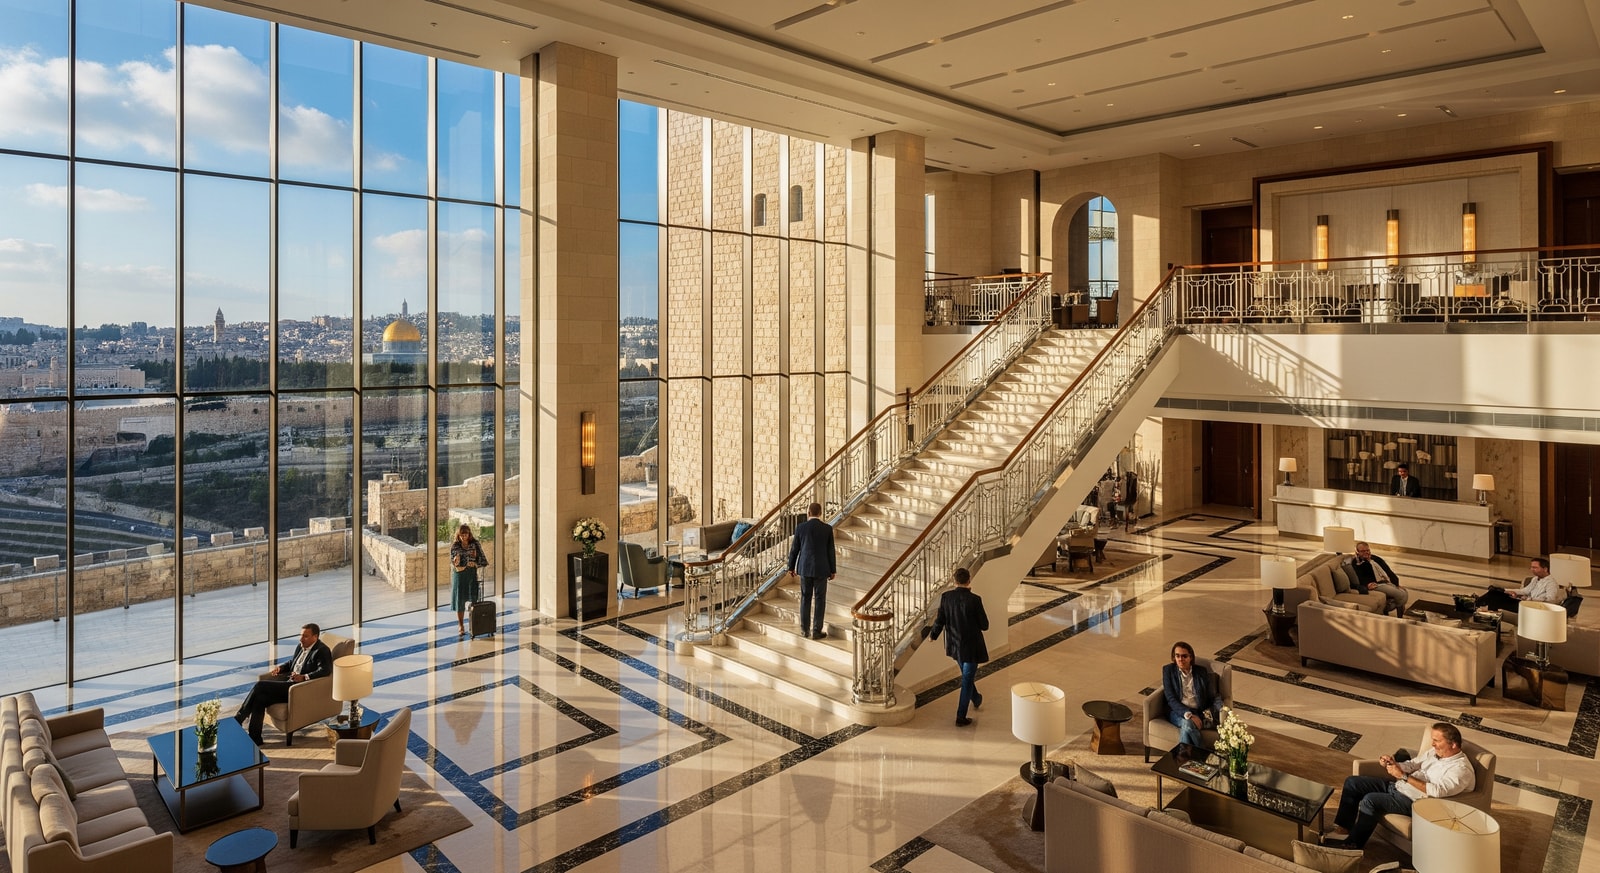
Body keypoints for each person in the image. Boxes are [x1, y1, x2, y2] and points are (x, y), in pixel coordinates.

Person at [1323, 722, 1474, 849]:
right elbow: (1412, 764)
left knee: (1370, 800)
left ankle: (1351, 846)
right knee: (1353, 783)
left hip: (1414, 802)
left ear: (1453, 745)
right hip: (1399, 786)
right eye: (1432, 740)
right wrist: (1394, 764)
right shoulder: (1435, 753)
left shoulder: (1461, 770)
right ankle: (1343, 830)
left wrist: (1403, 776)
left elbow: (1437, 791)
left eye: (1437, 741)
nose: (1433, 744)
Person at [234, 623, 333, 745]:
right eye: (301, 636)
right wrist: (281, 668)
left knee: (260, 685)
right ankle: (255, 738)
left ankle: (239, 718)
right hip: (288, 685)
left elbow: (325, 671)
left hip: (299, 689)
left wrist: (304, 677)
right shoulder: (300, 646)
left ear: (315, 637)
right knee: (260, 698)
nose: (301, 639)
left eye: (305, 636)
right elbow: (294, 662)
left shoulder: (322, 650)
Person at [930, 567, 989, 727]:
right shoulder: (975, 600)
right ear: (969, 580)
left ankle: (976, 698)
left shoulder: (946, 597)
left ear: (954, 580)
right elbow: (985, 625)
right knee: (967, 679)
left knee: (967, 677)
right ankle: (960, 716)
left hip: (955, 646)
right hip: (971, 647)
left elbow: (940, 620)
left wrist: (933, 635)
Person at [787, 502, 836, 639]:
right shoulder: (827, 529)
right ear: (820, 514)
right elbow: (830, 551)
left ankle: (804, 630)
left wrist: (791, 567)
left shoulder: (801, 528)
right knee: (820, 599)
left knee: (805, 598)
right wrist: (833, 570)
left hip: (805, 568)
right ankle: (816, 630)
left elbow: (794, 550)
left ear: (808, 513)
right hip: (822, 568)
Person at [1161, 641, 1224, 748]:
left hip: (1197, 711)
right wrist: (1189, 715)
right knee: (1188, 723)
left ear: (1191, 657)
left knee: (1187, 726)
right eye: (1177, 656)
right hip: (1177, 711)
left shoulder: (1201, 672)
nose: (1180, 659)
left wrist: (1220, 709)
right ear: (1174, 657)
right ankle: (1203, 754)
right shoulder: (1168, 670)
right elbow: (1171, 698)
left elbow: (1211, 695)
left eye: (1184, 656)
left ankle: (1182, 760)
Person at [1476, 556, 1564, 612]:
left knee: (1496, 599)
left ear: (1545, 569)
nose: (1532, 569)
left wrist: (1530, 599)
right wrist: (1505, 590)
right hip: (1524, 602)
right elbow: (1525, 591)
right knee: (1495, 593)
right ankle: (1477, 604)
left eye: (1535, 568)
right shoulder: (1535, 579)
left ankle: (1475, 604)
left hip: (1532, 608)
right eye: (1531, 567)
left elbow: (1550, 599)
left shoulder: (1551, 583)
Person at [1347, 541, 1407, 616]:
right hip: (1375, 584)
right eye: (1363, 551)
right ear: (1357, 552)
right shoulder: (1356, 563)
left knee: (1404, 592)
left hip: (1385, 581)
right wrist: (1366, 585)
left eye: (1367, 550)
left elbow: (1388, 571)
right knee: (1400, 595)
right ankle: (1386, 608)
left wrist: (1396, 583)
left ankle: (1397, 613)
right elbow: (1359, 577)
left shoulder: (1376, 558)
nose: (1366, 552)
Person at [450, 524, 488, 638]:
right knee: (459, 600)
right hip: (459, 576)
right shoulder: (455, 546)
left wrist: (475, 563)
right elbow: (453, 561)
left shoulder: (475, 544)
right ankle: (461, 625)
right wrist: (455, 562)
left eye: (465, 534)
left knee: (473, 599)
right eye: (461, 534)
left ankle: (474, 623)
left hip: (471, 575)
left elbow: (483, 560)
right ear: (458, 535)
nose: (464, 536)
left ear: (469, 534)